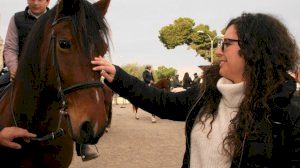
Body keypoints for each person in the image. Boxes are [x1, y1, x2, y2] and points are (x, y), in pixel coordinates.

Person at [92, 13, 300, 167]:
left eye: (226, 44)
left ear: (255, 49)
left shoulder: (289, 115)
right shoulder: (207, 94)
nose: (218, 51)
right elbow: (162, 102)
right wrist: (118, 77)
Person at [3, 0, 97, 161]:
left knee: (71, 96)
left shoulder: (58, 19)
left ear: (47, 1)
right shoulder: (17, 19)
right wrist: (14, 69)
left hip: (51, 74)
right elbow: (10, 48)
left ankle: (83, 142)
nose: (36, 2)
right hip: (20, 73)